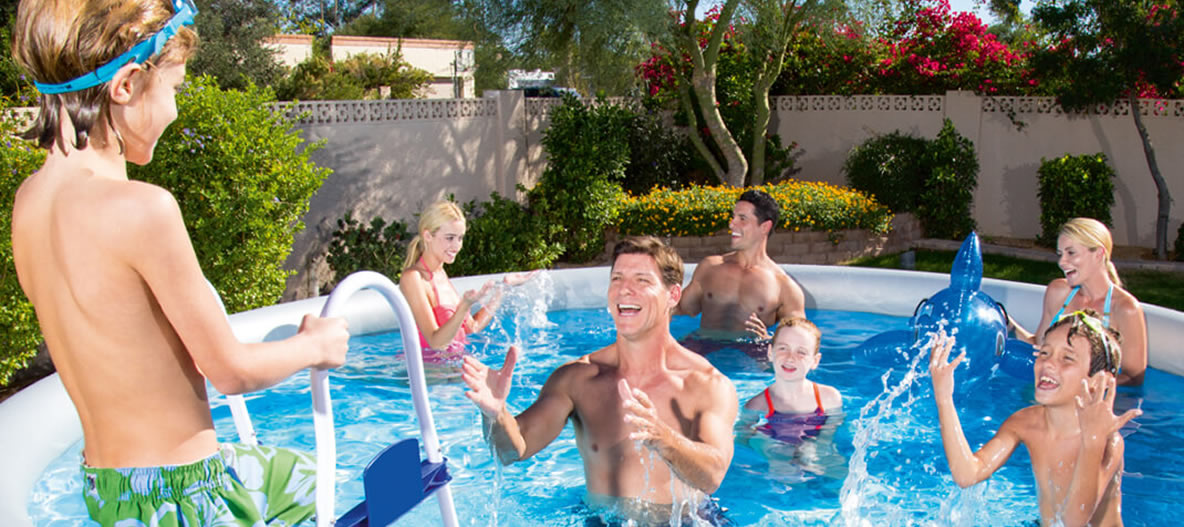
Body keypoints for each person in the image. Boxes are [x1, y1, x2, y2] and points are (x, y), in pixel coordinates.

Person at [10, 1, 350, 526]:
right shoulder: (142, 210)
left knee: (300, 474)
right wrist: (314, 346)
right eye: (175, 89)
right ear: (126, 85)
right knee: (327, 488)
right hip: (185, 496)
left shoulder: (28, 203)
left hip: (110, 492)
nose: (174, 109)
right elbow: (231, 371)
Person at [462, 236, 739, 525]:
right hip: (602, 521)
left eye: (642, 280)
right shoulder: (577, 379)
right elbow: (511, 450)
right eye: (617, 278)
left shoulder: (706, 384)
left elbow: (712, 475)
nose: (624, 290)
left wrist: (663, 438)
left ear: (672, 295)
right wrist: (495, 414)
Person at [929, 309, 1140, 527]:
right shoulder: (1025, 423)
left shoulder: (1108, 442)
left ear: (1098, 380)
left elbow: (1074, 522)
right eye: (1044, 353)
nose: (1048, 364)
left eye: (1067, 358)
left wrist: (1093, 440)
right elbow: (967, 475)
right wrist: (944, 398)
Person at [1010, 218, 1147, 386]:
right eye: (1060, 254)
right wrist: (1007, 324)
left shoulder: (1125, 309)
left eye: (1071, 253)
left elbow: (1134, 378)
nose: (1062, 262)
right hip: (1048, 392)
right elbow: (1038, 346)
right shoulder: (1058, 292)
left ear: (1099, 254)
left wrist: (1084, 385)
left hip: (1091, 404)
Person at [398, 200, 533, 361]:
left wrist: (503, 288)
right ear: (428, 236)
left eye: (460, 238)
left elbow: (472, 327)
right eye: (450, 238)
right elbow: (435, 343)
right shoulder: (414, 278)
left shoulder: (440, 274)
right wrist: (464, 306)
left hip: (449, 370)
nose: (457, 246)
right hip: (429, 375)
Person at [674, 189, 805, 352]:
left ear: (765, 227)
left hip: (752, 354)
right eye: (733, 217)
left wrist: (769, 339)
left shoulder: (784, 287)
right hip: (703, 345)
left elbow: (802, 340)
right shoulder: (711, 267)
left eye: (742, 218)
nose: (731, 224)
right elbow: (682, 308)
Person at [742, 317, 842, 444]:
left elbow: (828, 440)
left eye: (801, 352)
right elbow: (741, 439)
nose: (790, 358)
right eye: (783, 348)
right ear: (770, 353)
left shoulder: (829, 398)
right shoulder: (757, 405)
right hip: (774, 449)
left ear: (815, 361)